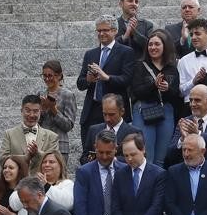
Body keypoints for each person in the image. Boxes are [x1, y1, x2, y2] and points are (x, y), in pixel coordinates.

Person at [77, 15, 135, 154]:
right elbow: (80, 83)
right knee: (90, 152)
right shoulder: (90, 54)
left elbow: (127, 79)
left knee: (117, 152)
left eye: (105, 30)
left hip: (114, 111)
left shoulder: (125, 52)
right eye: (98, 31)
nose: (101, 33)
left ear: (115, 31)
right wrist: (89, 79)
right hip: (92, 109)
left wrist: (106, 77)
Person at [129, 29, 182, 166]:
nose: (153, 47)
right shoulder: (140, 66)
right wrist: (154, 85)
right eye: (150, 44)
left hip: (166, 111)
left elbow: (176, 94)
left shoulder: (172, 68)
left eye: (157, 44)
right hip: (144, 110)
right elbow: (137, 91)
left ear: (165, 46)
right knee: (147, 155)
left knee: (161, 158)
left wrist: (167, 89)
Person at [36, 60, 79, 168]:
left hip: (60, 145)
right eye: (44, 76)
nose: (47, 79)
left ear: (59, 76)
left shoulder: (67, 95)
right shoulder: (40, 94)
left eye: (50, 75)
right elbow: (36, 124)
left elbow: (68, 125)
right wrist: (40, 112)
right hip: (42, 145)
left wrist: (53, 110)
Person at [2, 94, 60, 174]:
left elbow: (55, 163)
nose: (31, 115)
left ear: (41, 111)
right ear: (21, 111)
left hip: (42, 183)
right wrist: (25, 158)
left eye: (35, 111)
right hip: (17, 184)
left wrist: (38, 153)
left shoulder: (52, 137)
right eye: (28, 110)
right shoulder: (9, 134)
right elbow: (3, 160)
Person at [82, 93, 141, 161]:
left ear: (122, 111)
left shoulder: (134, 133)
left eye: (111, 114)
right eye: (105, 114)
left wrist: (113, 160)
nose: (107, 119)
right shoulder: (93, 130)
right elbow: (84, 157)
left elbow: (139, 158)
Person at [177, 17, 207, 105]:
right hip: (190, 105)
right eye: (191, 34)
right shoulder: (184, 61)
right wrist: (193, 81)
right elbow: (181, 91)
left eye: (197, 33)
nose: (193, 37)